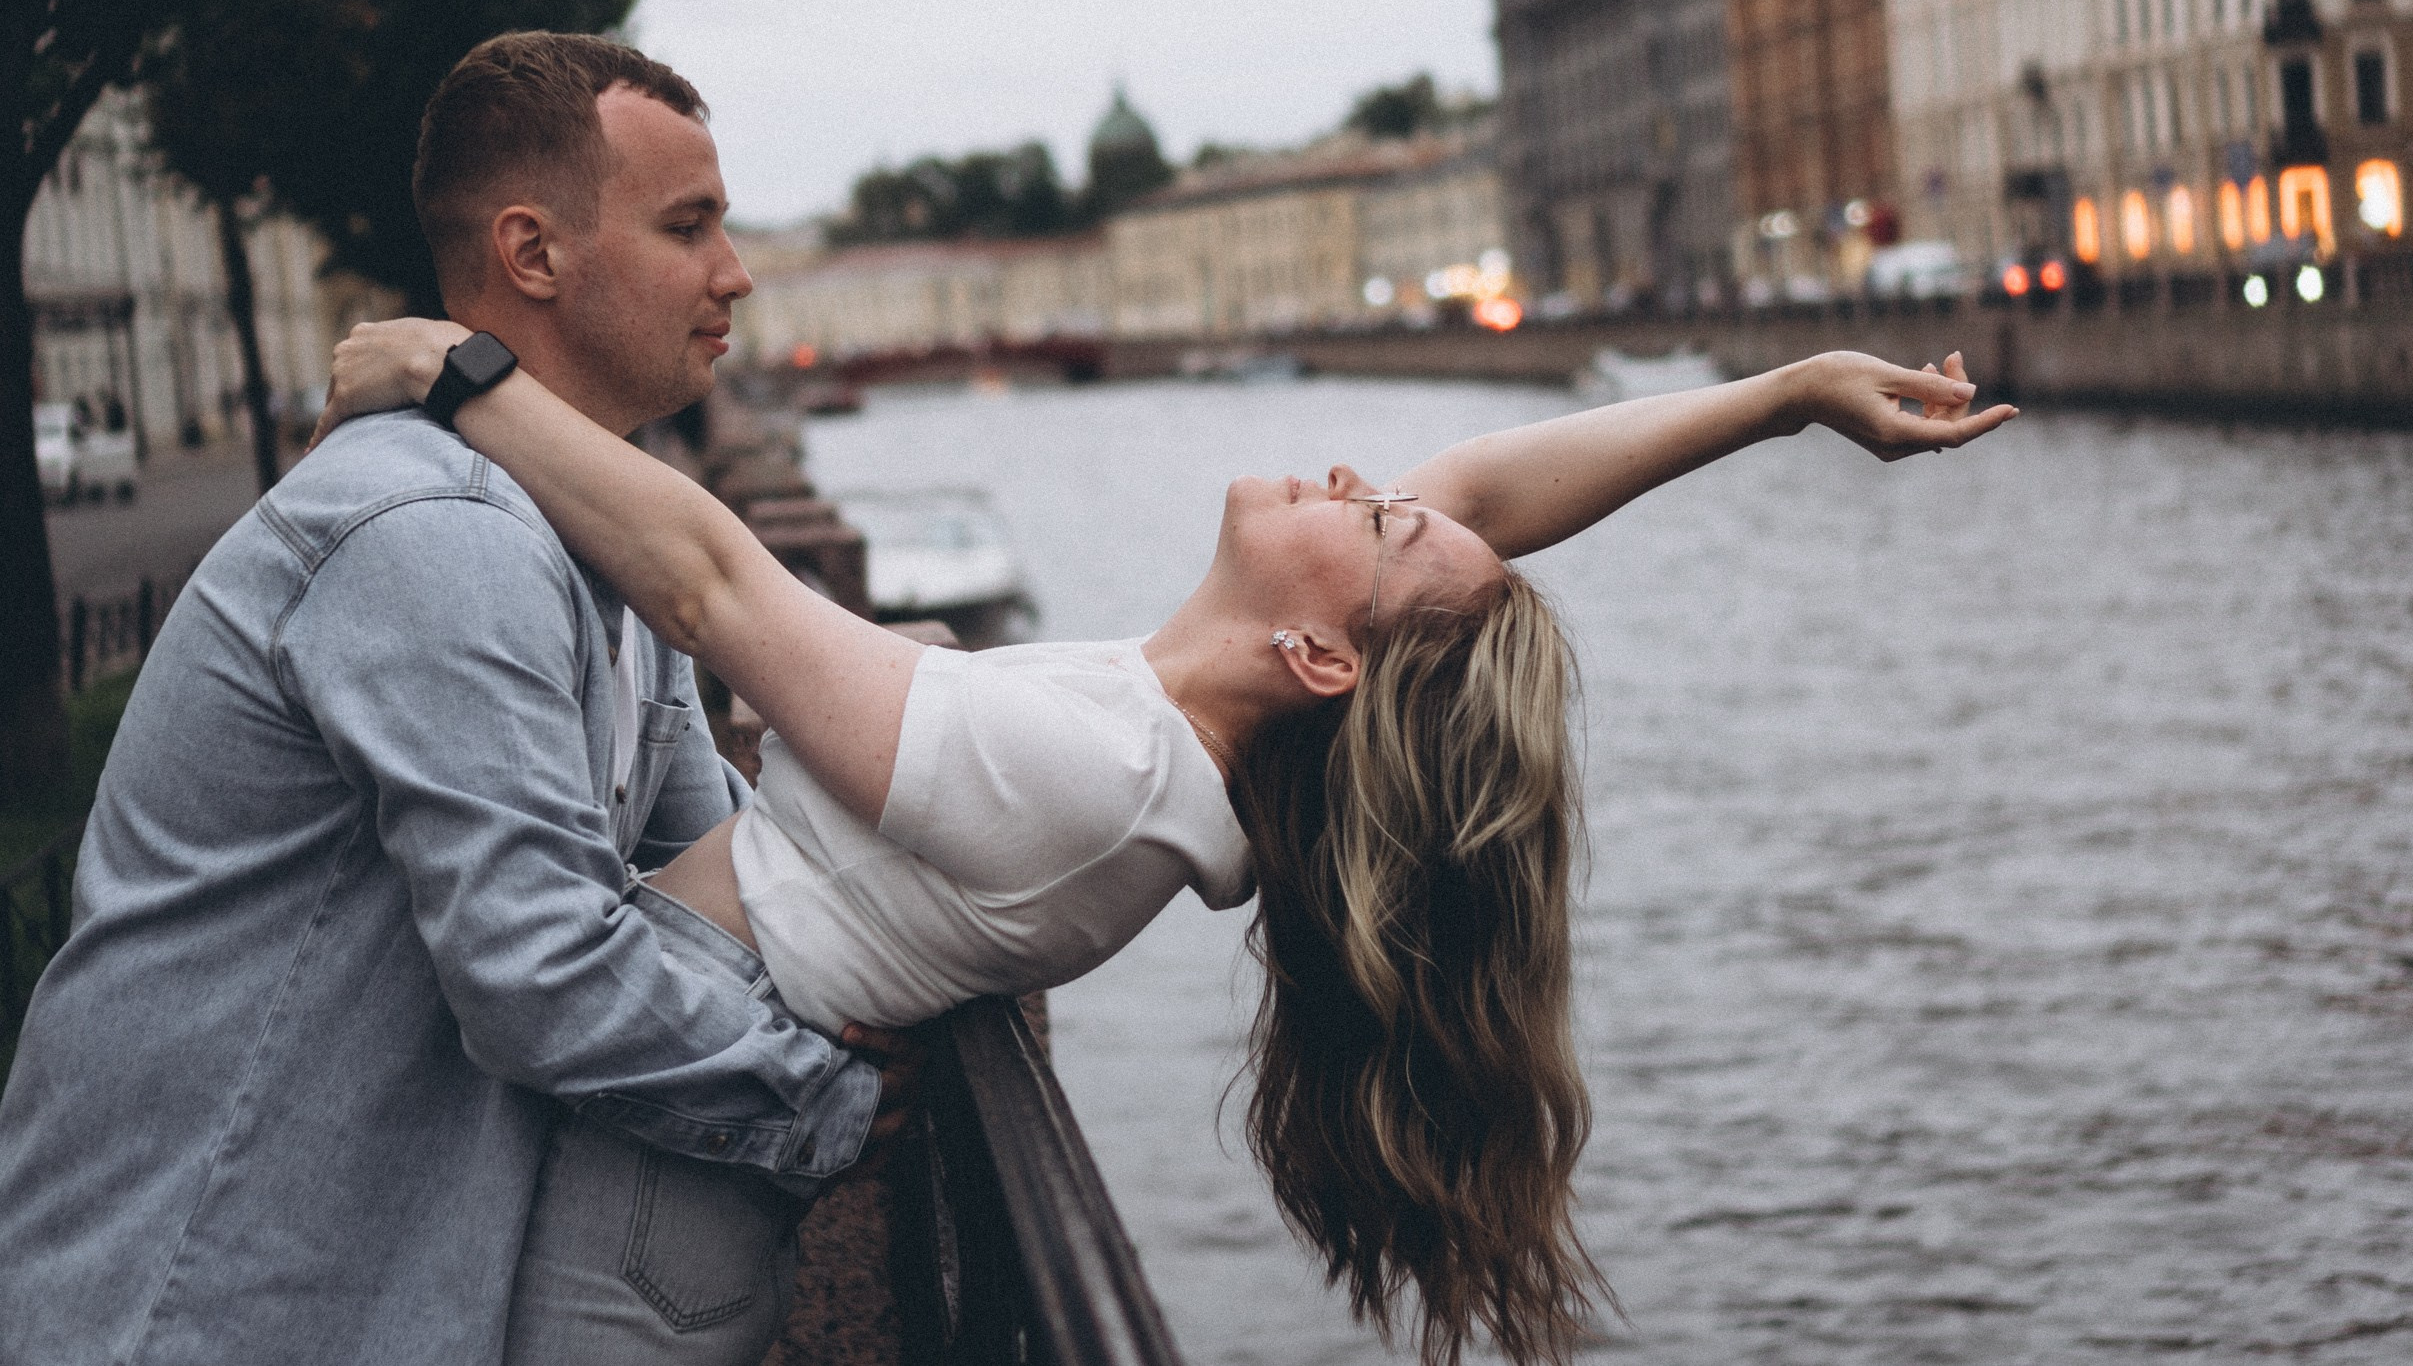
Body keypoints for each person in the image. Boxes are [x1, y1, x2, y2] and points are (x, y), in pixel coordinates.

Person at [320, 308, 2015, 1366]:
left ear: (1323, 655)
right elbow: (1488, 500)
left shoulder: (1083, 772)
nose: (1369, 473)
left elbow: (704, 581)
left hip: (648, 1233)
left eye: (1383, 519)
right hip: (645, 1142)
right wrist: (1785, 394)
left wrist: (457, 376)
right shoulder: (1154, 734)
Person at [0, 33, 901, 1366]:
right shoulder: (436, 531)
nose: (737, 273)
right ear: (533, 254)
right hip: (196, 1305)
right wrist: (846, 1101)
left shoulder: (587, 541)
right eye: (688, 226)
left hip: (355, 1287)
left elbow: (741, 878)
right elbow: (543, 977)